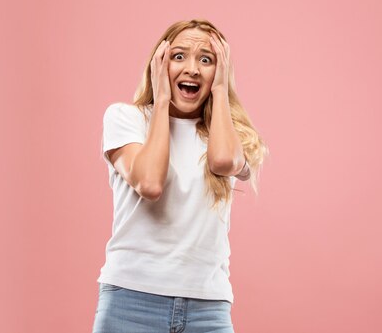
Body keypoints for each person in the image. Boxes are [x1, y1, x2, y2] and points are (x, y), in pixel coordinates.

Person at [91, 19, 268, 333]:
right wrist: (160, 101)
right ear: (159, 65)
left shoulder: (231, 134)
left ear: (220, 71)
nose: (193, 69)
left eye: (206, 60)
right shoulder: (125, 118)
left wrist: (221, 89)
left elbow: (224, 160)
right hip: (131, 303)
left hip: (208, 310)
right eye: (179, 56)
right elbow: (149, 183)